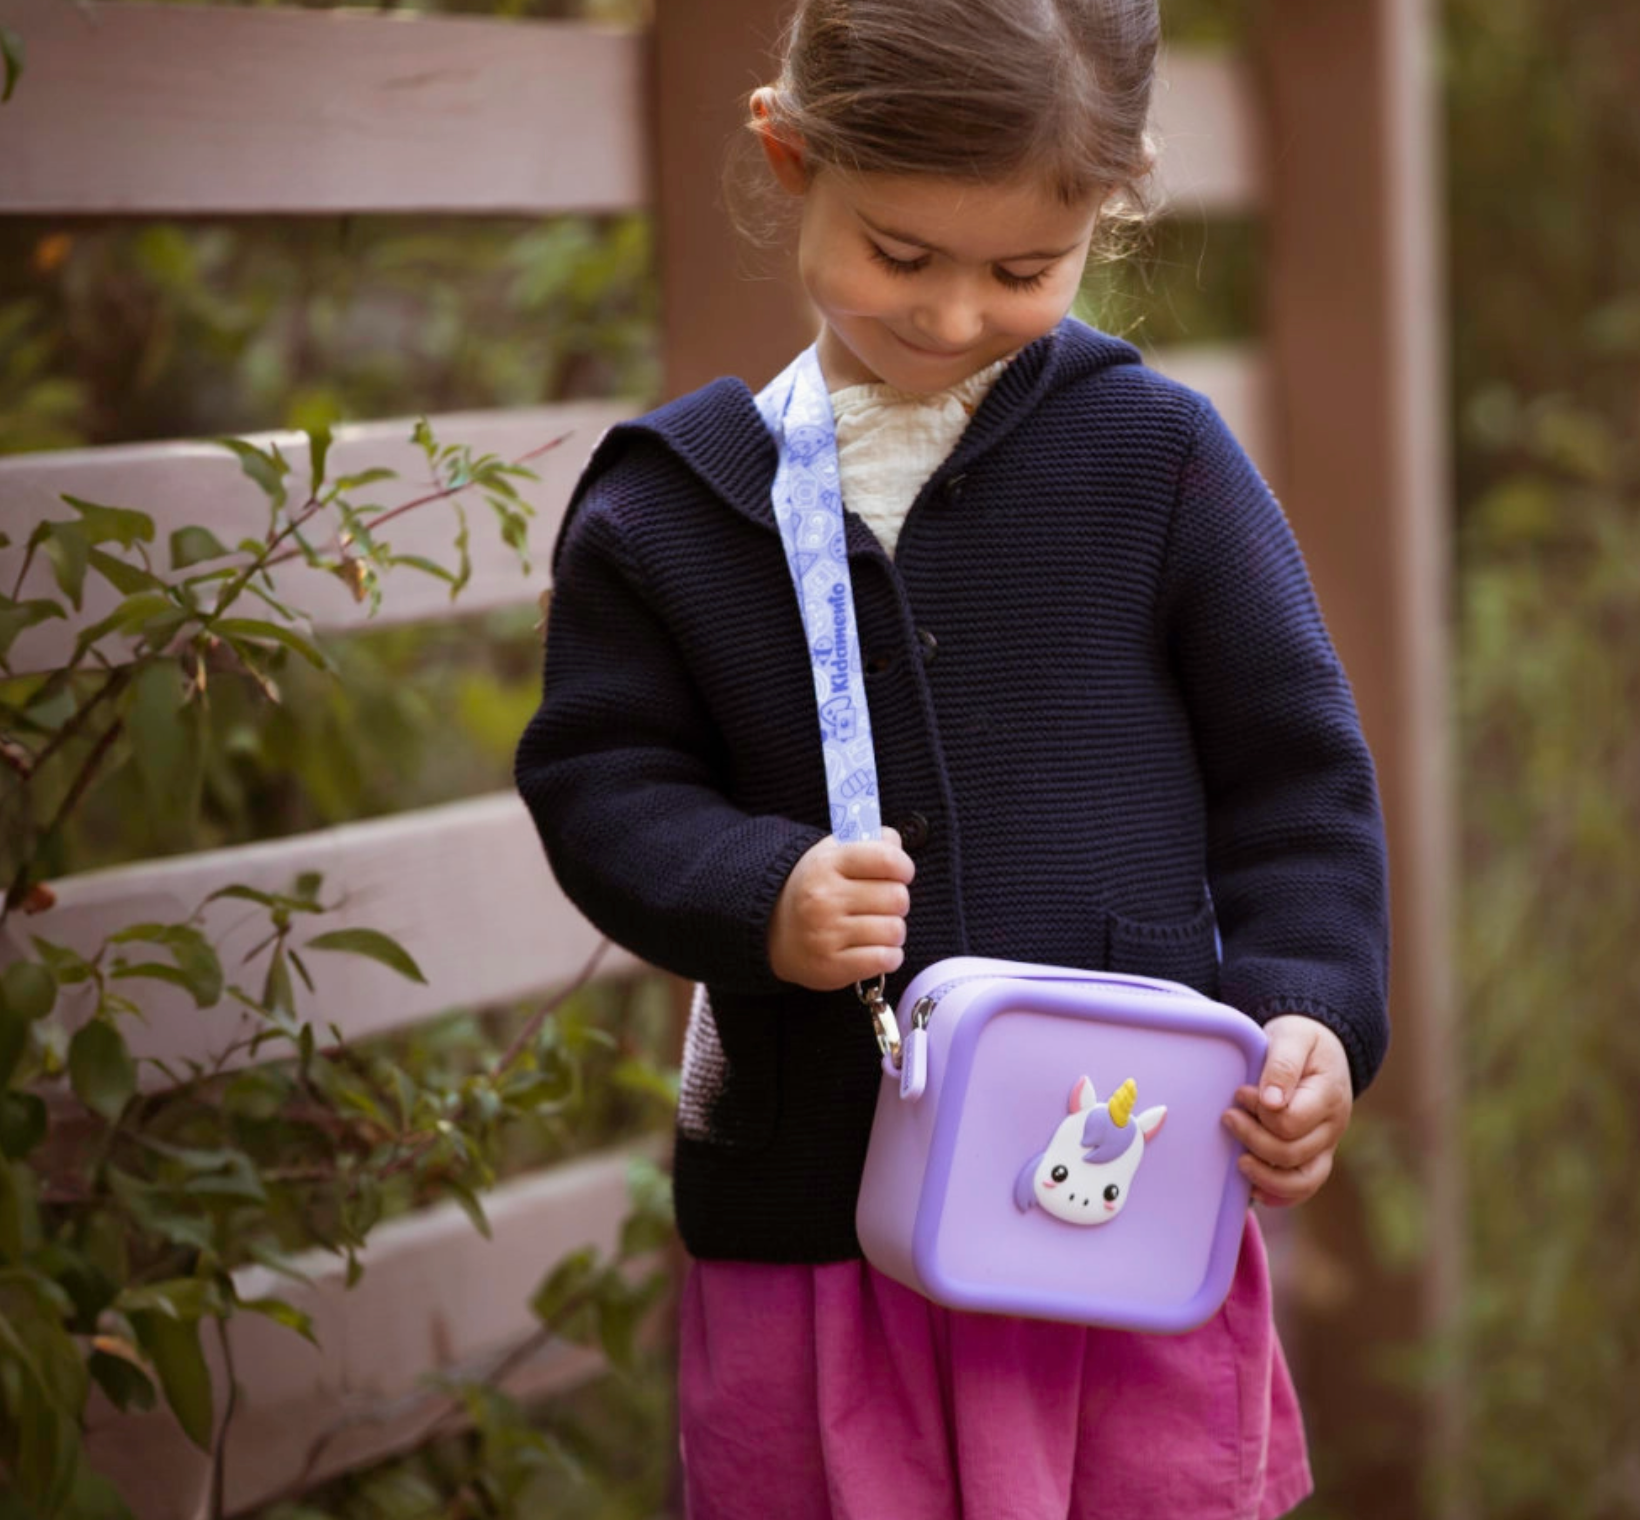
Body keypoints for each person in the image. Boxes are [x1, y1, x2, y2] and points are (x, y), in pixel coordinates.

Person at [514, 0, 1390, 1514]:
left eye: (1024, 271)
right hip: (817, 1230)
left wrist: (1309, 1008)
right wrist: (760, 892)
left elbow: (1295, 780)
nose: (951, 314)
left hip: (1113, 1209)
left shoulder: (1161, 463)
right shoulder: (673, 511)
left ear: (1109, 209)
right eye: (902, 253)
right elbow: (600, 783)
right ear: (792, 156)